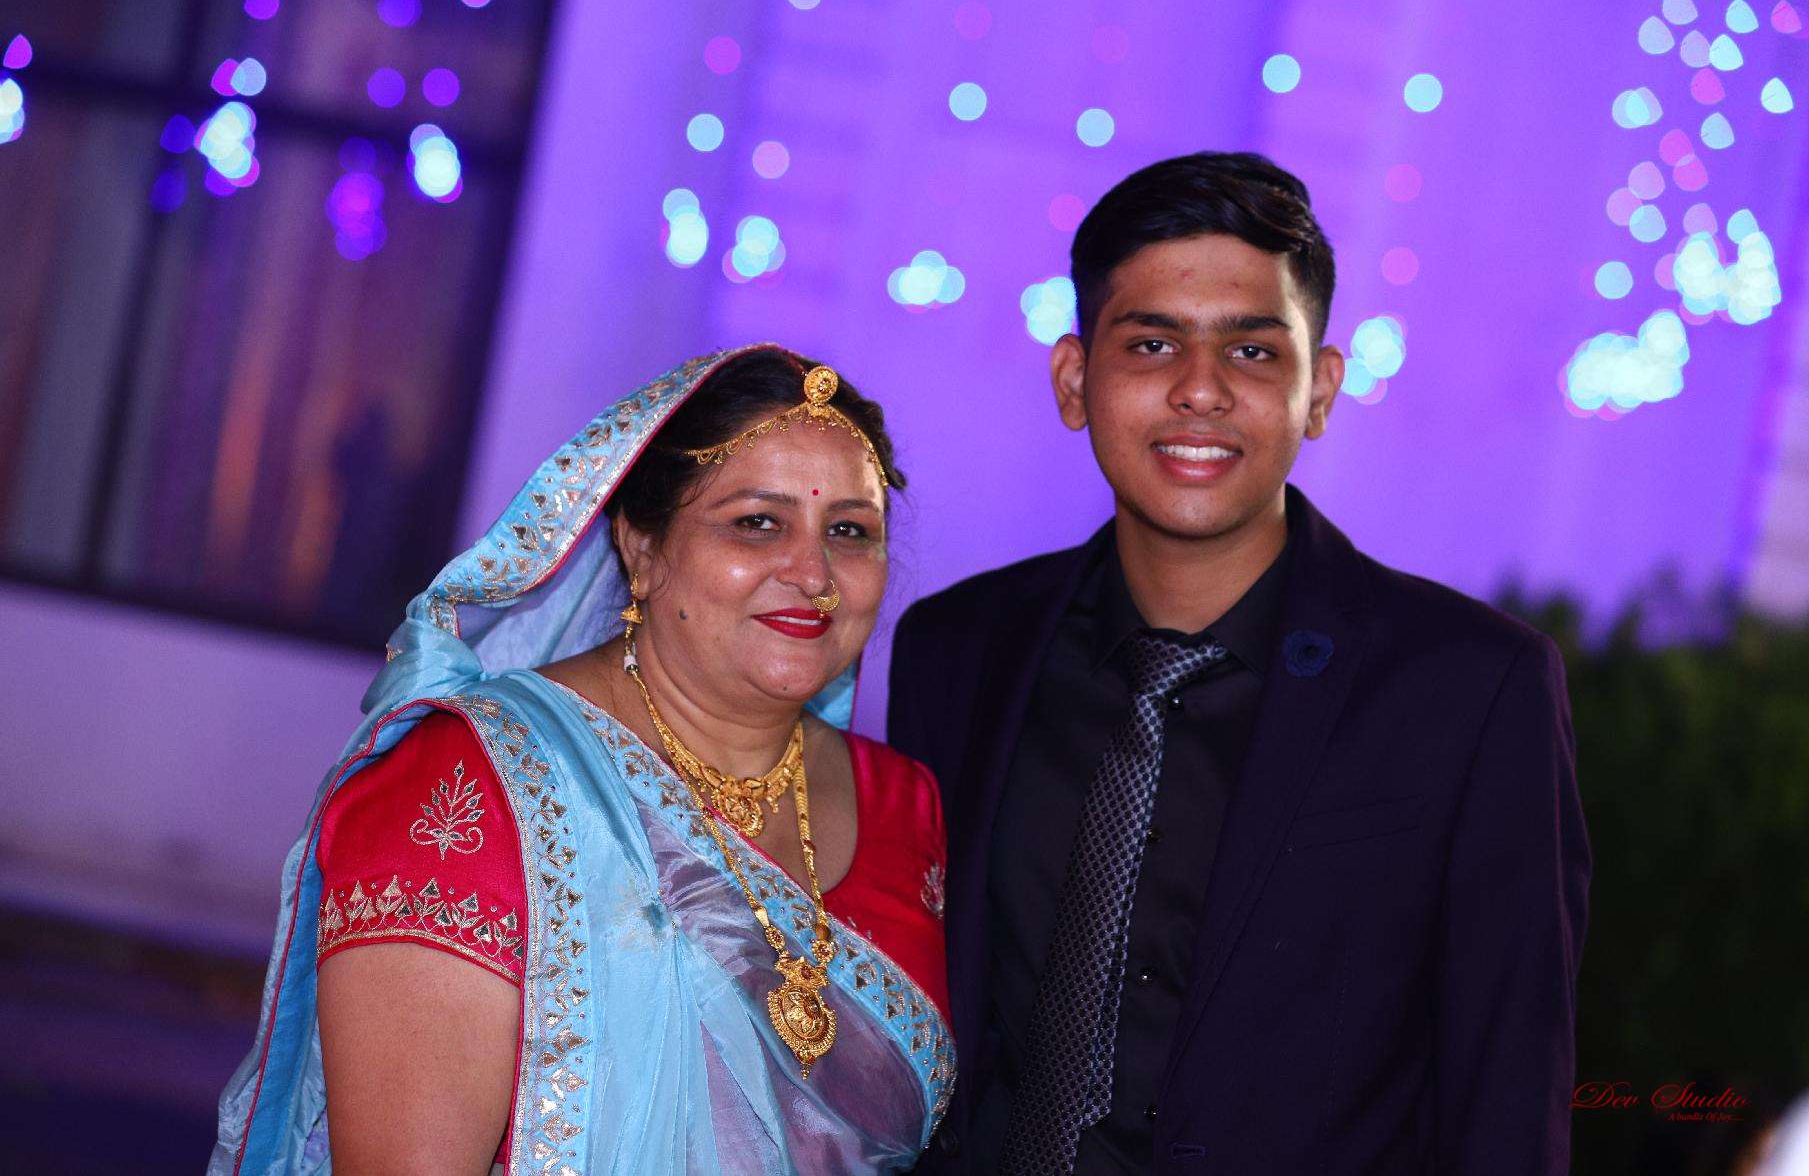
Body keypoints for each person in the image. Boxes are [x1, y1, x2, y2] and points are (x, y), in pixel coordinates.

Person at [887, 152, 1591, 1174]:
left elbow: (1507, 1097)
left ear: (1320, 390)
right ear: (1074, 380)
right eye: (1152, 343)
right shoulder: (957, 648)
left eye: (1253, 352)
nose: (1200, 390)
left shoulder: (1470, 690)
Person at [211, 346, 954, 1174]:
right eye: (757, 522)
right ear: (641, 546)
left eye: (849, 531)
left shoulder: (904, 803)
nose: (813, 574)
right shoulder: (471, 780)